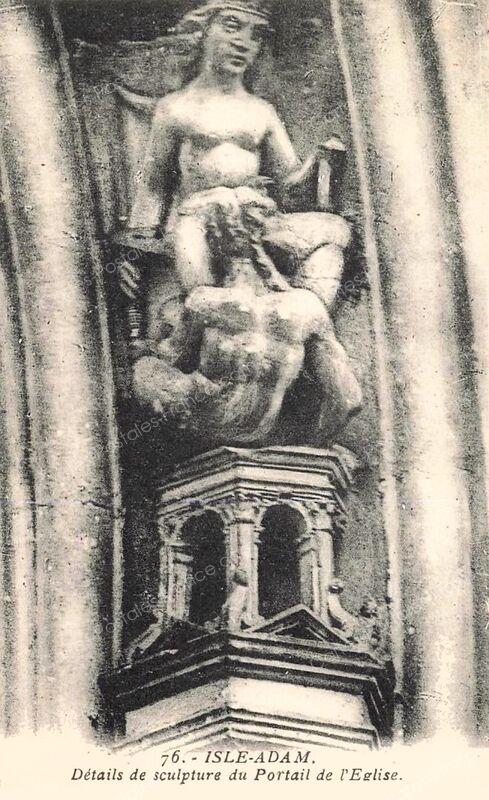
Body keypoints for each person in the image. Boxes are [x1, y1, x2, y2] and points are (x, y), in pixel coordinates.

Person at [119, 0, 362, 444]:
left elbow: (288, 183)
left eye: (255, 34)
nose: (244, 43)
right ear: (203, 32)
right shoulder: (176, 108)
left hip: (255, 217)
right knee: (204, 302)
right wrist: (135, 247)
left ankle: (309, 320)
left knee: (333, 234)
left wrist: (321, 163)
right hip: (198, 218)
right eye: (232, 27)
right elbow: (154, 185)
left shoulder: (261, 111)